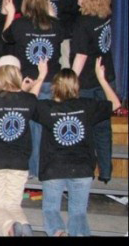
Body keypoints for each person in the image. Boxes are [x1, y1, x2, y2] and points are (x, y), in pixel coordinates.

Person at [36, 60, 120, 236]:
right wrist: (101, 79)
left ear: (54, 87)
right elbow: (116, 104)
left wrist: (41, 76)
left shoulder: (46, 108)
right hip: (82, 169)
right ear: (76, 86)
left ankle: (58, 233)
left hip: (53, 168)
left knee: (51, 210)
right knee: (78, 213)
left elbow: (27, 103)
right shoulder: (87, 106)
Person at [0, 55, 48, 236]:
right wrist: (41, 77)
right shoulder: (28, 100)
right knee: (13, 205)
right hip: (20, 161)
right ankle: (24, 224)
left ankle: (10, 227)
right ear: (17, 74)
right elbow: (31, 98)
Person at [2, 0, 65, 177]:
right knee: (49, 127)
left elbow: (5, 37)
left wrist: (11, 15)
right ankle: (45, 169)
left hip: (28, 83)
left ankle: (31, 169)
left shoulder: (20, 24)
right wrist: (53, 15)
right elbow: (61, 37)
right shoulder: (56, 25)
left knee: (29, 128)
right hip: (51, 81)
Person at [66, 0, 116, 183]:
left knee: (84, 129)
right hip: (105, 78)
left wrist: (69, 84)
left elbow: (80, 57)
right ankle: (105, 172)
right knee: (103, 129)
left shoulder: (83, 23)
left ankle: (86, 171)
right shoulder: (105, 14)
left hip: (86, 83)